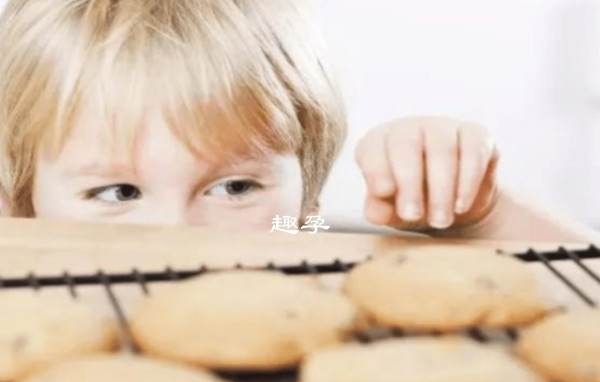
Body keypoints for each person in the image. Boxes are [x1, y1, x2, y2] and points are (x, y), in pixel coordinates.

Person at [0, 0, 592, 241]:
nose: (177, 233)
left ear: (304, 194)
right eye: (117, 191)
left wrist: (485, 218)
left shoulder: (302, 232)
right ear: (22, 205)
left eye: (235, 186)